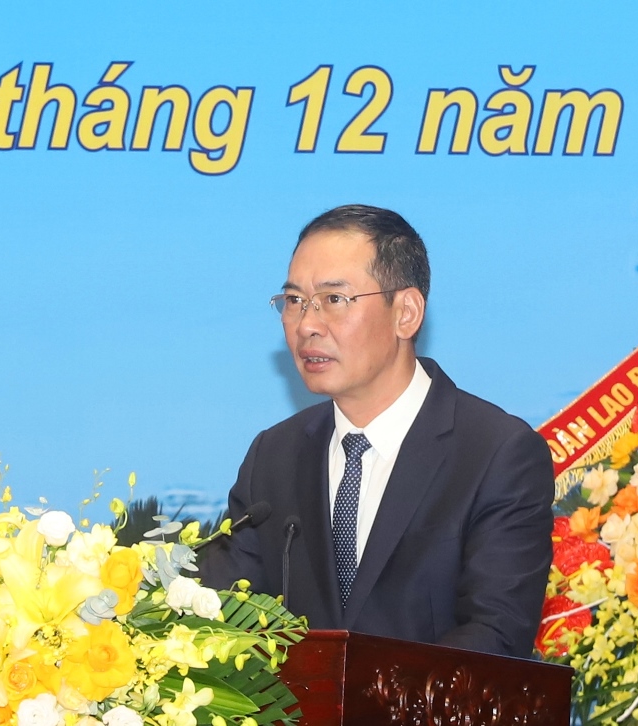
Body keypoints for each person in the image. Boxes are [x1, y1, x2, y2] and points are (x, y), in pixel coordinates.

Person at [198, 204, 554, 658]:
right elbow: (221, 614)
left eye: (333, 299)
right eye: (294, 301)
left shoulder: (495, 453)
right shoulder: (275, 455)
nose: (306, 325)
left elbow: (496, 634)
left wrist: (366, 694)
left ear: (406, 312)